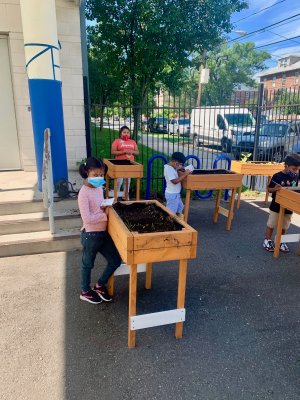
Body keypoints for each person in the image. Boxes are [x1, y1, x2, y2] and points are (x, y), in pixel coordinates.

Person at [78, 156, 122, 304]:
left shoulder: (98, 188)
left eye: (101, 174)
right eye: (95, 175)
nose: (99, 177)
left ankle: (99, 285)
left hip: (103, 233)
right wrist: (105, 214)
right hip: (90, 235)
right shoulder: (83, 193)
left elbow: (97, 207)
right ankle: (85, 291)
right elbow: (88, 219)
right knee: (87, 264)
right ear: (86, 173)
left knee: (115, 260)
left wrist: (105, 205)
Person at [263, 153, 300, 253]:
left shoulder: (296, 176)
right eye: (294, 169)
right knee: (272, 223)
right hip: (276, 205)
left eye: (298, 169)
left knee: (284, 225)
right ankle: (267, 240)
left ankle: (281, 240)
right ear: (286, 166)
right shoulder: (277, 176)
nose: (296, 171)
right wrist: (274, 189)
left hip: (289, 205)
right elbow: (269, 189)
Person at [111, 125, 139, 199]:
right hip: (119, 164)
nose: (126, 134)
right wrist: (123, 152)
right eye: (124, 132)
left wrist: (132, 151)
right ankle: (115, 197)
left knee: (127, 181)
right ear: (121, 133)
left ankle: (126, 196)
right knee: (118, 181)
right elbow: (113, 152)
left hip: (130, 164)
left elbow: (137, 153)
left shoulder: (133, 142)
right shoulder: (117, 141)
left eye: (128, 132)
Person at [164, 152, 191, 217]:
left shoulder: (172, 167)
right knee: (171, 213)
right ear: (176, 163)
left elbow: (176, 169)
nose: (180, 165)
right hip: (172, 195)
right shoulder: (168, 169)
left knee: (180, 207)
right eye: (180, 164)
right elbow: (174, 181)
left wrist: (180, 168)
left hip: (175, 194)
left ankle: (177, 220)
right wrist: (185, 174)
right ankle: (169, 223)